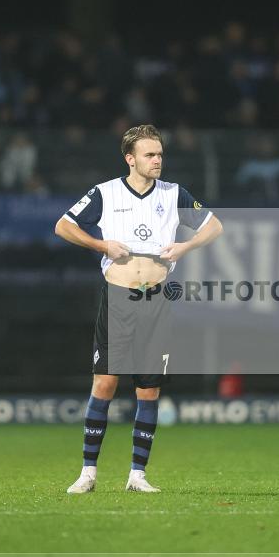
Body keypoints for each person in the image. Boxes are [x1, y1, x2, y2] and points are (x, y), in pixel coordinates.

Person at [55, 124, 223, 493]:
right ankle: (88, 473)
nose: (157, 160)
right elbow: (63, 226)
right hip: (119, 298)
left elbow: (214, 227)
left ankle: (137, 475)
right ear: (130, 159)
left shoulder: (174, 193)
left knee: (148, 389)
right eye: (150, 154)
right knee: (106, 382)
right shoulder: (105, 192)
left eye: (160, 153)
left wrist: (183, 247)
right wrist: (102, 246)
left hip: (157, 300)